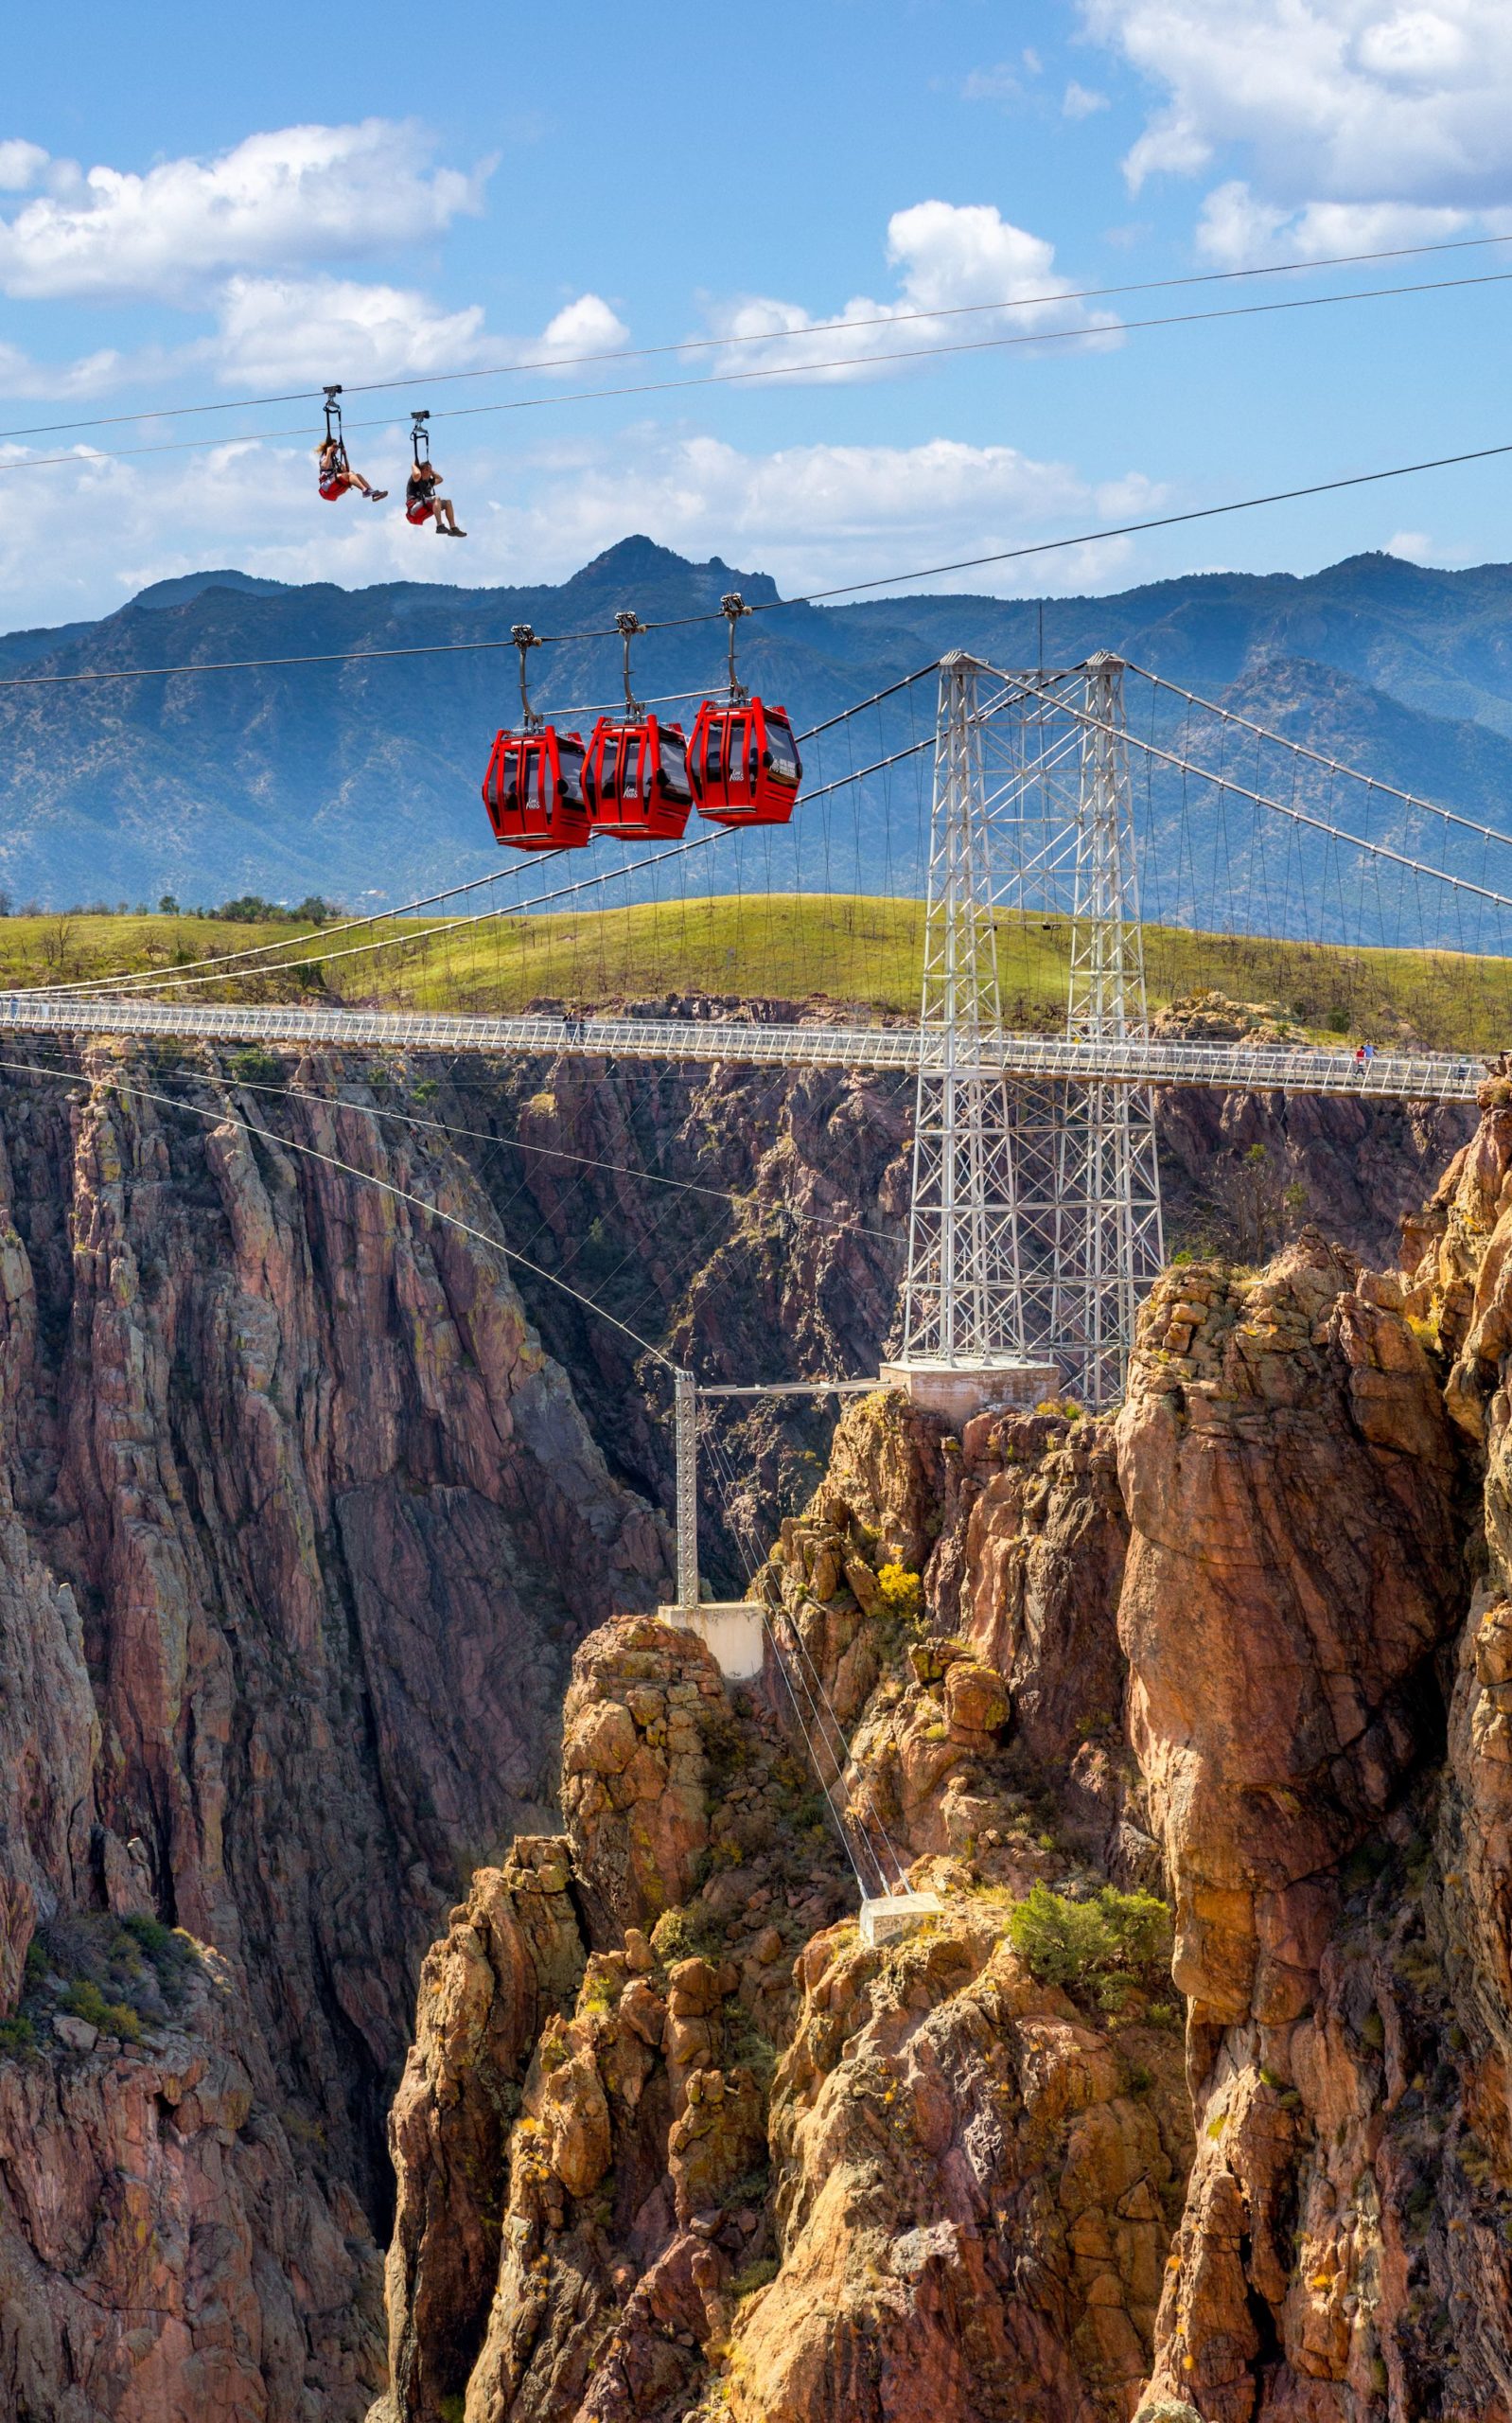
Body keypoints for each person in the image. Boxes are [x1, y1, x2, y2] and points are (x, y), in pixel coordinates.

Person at [406, 456, 466, 537]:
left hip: (425, 507)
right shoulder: (416, 479)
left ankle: (453, 528)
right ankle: (439, 526)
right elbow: (417, 473)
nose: (429, 472)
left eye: (430, 471)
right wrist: (414, 465)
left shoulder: (429, 482)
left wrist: (430, 470)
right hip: (414, 510)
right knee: (436, 498)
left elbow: (440, 479)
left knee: (448, 502)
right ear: (421, 470)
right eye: (426, 470)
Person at [317, 437, 386, 504]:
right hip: (327, 484)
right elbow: (325, 466)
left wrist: (345, 455)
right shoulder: (324, 457)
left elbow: (347, 470)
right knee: (350, 474)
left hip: (335, 482)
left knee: (356, 475)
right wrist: (328, 452)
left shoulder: (335, 460)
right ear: (329, 447)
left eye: (337, 446)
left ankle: (373, 494)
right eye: (335, 446)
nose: (337, 448)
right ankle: (364, 490)